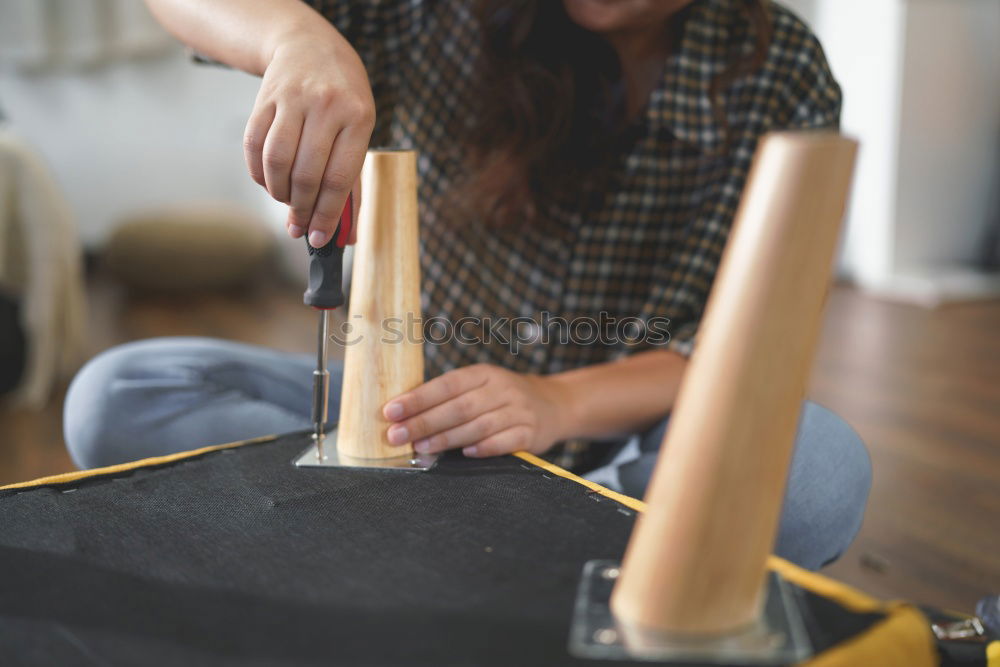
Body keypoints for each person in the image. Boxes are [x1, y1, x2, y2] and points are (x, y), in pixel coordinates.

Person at [65, 0, 870, 569]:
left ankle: (424, 550)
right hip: (419, 422)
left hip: (636, 446)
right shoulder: (433, 14)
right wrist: (297, 37)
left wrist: (558, 403)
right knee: (118, 393)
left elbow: (747, 344)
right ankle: (527, 560)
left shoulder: (778, 74)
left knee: (822, 468)